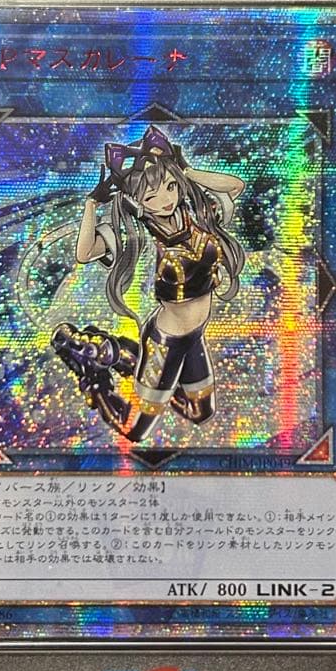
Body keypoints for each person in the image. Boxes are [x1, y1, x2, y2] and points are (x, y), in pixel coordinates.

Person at [52, 126, 245, 443]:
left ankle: (115, 354)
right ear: (136, 201)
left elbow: (236, 186)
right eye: (151, 196)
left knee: (201, 412)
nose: (165, 200)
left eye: (170, 187)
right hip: (165, 340)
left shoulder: (199, 214)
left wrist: (187, 171)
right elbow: (84, 253)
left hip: (194, 334)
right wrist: (91, 205)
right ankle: (91, 363)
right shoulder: (136, 234)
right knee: (134, 430)